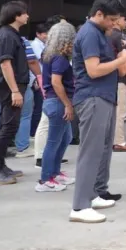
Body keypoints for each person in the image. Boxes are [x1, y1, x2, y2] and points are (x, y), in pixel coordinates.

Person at [70, 0, 126, 224]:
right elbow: (94, 70)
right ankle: (79, 206)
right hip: (92, 97)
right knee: (91, 151)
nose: (115, 24)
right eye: (112, 19)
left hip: (104, 96)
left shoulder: (99, 33)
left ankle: (93, 194)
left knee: (103, 149)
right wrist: (121, 59)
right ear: (98, 14)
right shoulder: (89, 34)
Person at [0, 2, 31, 185]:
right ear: (16, 15)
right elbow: (5, 64)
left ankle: (0, 164)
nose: (28, 16)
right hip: (10, 87)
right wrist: (14, 90)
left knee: (5, 126)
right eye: (25, 13)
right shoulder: (6, 36)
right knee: (9, 127)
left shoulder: (11, 35)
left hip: (13, 86)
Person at [36, 22, 77, 193]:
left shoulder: (49, 53)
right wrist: (68, 104)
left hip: (54, 101)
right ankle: (46, 179)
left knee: (64, 138)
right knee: (54, 142)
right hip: (59, 101)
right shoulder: (60, 58)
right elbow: (56, 82)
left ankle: (53, 173)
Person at [110, 15, 126, 153]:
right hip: (119, 79)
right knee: (120, 112)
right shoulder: (119, 37)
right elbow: (124, 61)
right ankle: (119, 141)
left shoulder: (107, 35)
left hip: (110, 78)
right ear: (117, 20)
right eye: (124, 19)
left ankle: (114, 139)